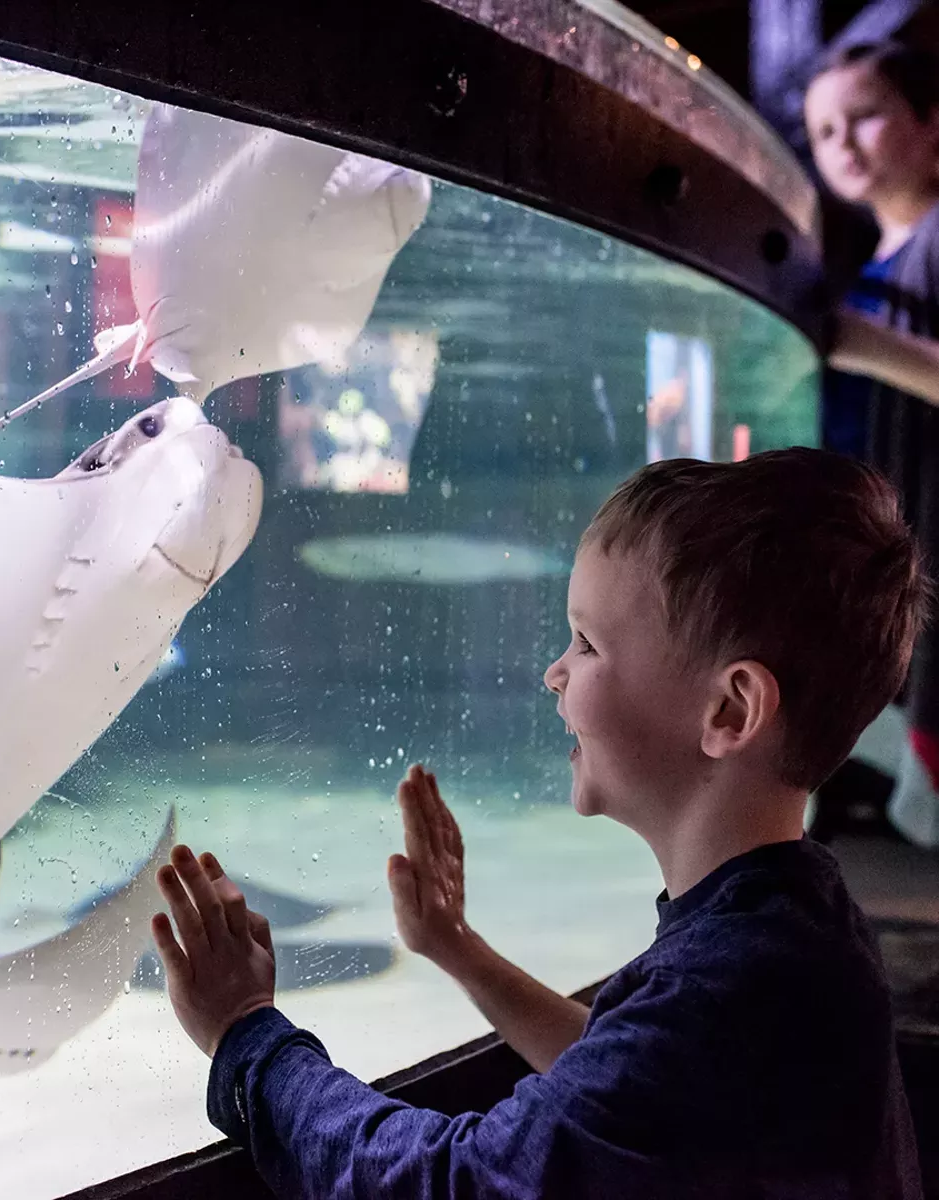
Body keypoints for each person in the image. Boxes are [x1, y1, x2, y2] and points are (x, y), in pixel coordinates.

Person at [150, 448, 928, 1199]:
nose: (554, 672)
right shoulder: (796, 926)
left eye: (587, 644)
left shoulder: (726, 994)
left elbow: (451, 1184)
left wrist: (247, 1037)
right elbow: (625, 1095)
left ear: (730, 710)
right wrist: (457, 949)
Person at [806, 41, 939, 846]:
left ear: (931, 123)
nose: (843, 143)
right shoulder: (869, 269)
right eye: (823, 131)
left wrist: (858, 342)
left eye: (865, 116)